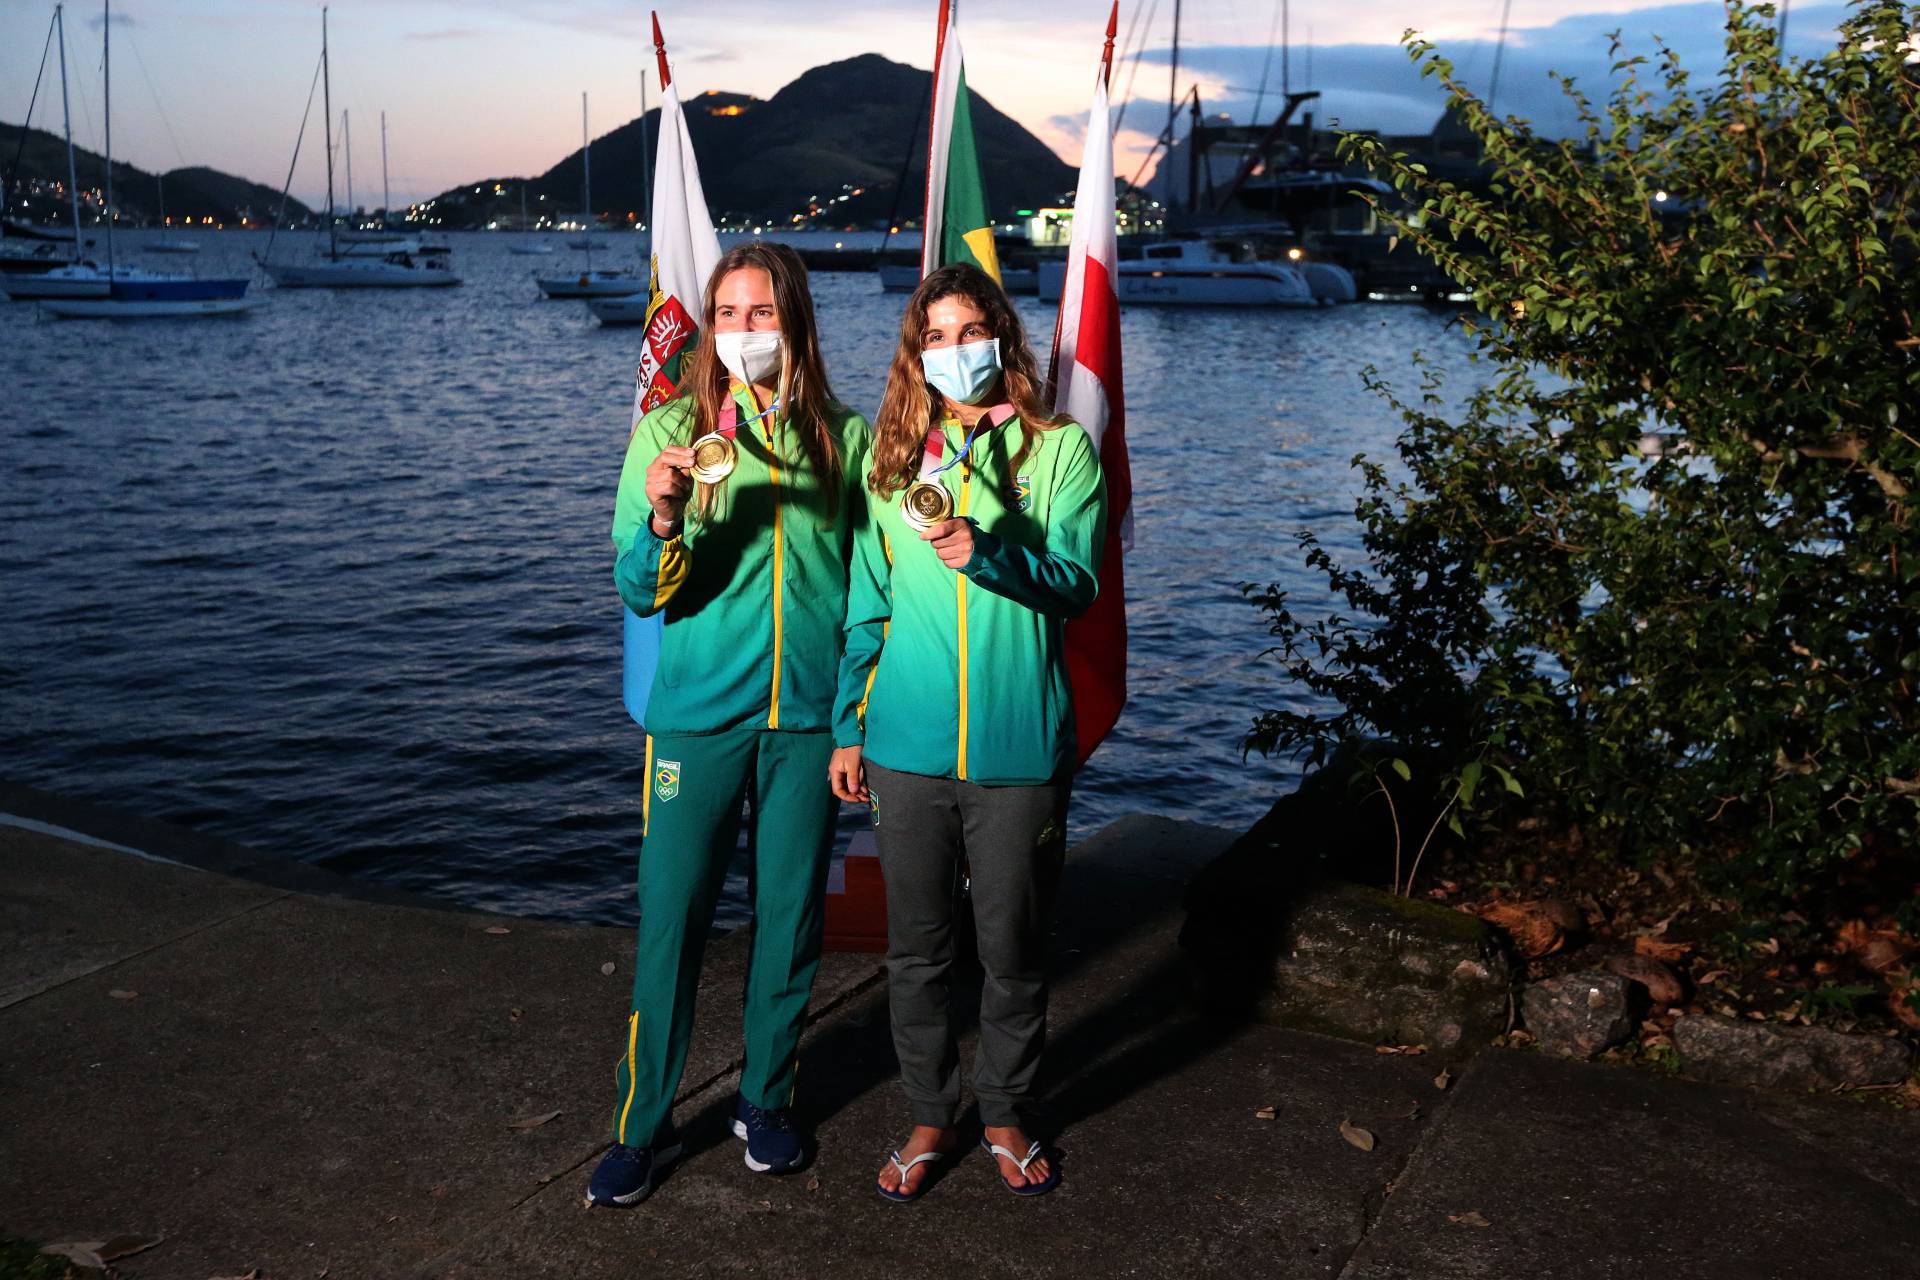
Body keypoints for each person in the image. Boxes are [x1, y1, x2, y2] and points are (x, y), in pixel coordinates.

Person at [588, 242, 871, 1208]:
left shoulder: (845, 439)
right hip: (698, 722)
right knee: (672, 922)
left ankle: (767, 1100)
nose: (745, 330)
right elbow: (635, 586)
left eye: (762, 311)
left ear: (795, 319)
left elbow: (870, 593)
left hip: (805, 726)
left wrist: (853, 719)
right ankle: (643, 1127)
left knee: (790, 921)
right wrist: (665, 518)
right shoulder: (670, 430)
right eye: (728, 313)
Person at [829, 263, 1107, 1202]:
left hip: (1017, 748)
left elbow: (1076, 582)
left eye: (969, 330)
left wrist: (985, 546)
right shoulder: (892, 461)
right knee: (915, 950)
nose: (955, 351)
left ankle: (1005, 1110)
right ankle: (929, 1111)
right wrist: (846, 730)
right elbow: (867, 603)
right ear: (916, 353)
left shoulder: (1059, 450)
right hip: (902, 751)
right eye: (934, 336)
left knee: (1014, 947)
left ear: (1002, 337)